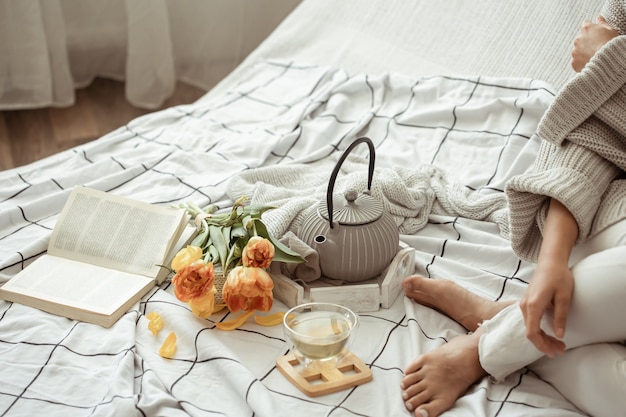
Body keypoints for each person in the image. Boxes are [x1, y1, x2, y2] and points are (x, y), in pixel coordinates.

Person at [400, 1, 626, 416]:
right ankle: (492, 345)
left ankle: (501, 322)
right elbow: (592, 141)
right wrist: (552, 261)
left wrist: (615, 66)